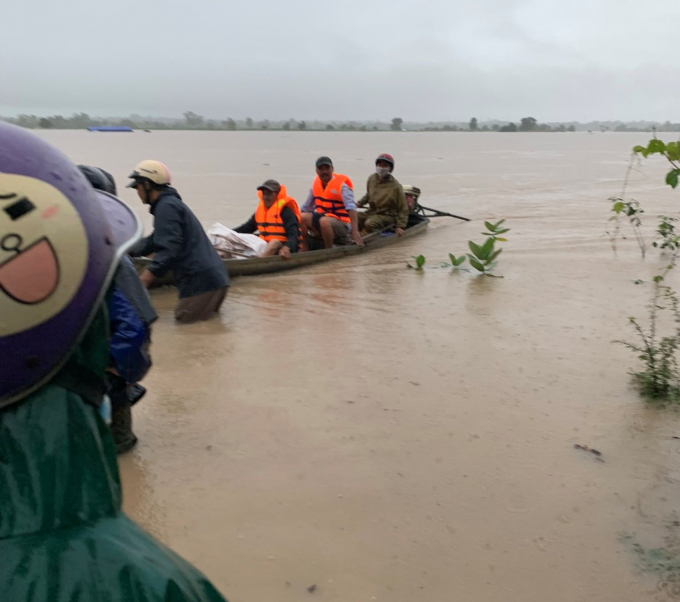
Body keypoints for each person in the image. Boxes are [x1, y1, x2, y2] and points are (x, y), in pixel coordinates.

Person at [0, 122, 228, 601]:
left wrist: (112, 376)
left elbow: (142, 302)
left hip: (157, 327)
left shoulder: (164, 211)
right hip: (104, 383)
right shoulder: (151, 581)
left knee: (122, 437)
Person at [79, 164, 158, 453]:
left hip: (115, 356)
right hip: (115, 353)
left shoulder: (108, 260)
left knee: (110, 444)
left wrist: (113, 367)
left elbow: (136, 325)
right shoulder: (94, 252)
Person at [126, 160, 230, 323]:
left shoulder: (166, 207)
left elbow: (168, 249)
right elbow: (155, 240)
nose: (137, 191)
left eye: (137, 186)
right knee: (206, 329)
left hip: (200, 282)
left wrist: (144, 279)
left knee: (185, 325)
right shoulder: (170, 205)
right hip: (214, 279)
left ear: (147, 184)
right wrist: (128, 250)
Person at [300, 156, 363, 249]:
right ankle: (304, 247)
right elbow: (305, 208)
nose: (324, 172)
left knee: (324, 221)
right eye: (321, 169)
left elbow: (352, 208)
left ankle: (328, 249)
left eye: (327, 168)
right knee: (301, 216)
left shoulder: (342, 186)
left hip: (342, 225)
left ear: (332, 169)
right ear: (317, 171)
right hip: (322, 220)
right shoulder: (315, 185)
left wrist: (355, 231)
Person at [233, 179, 301, 258]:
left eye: (269, 194)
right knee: (240, 239)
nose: (265, 197)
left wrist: (287, 247)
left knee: (275, 242)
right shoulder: (260, 212)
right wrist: (228, 233)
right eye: (264, 194)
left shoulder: (286, 212)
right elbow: (246, 228)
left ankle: (258, 262)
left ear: (277, 194)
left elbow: (294, 235)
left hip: (282, 248)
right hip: (264, 246)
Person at [357, 153, 409, 236]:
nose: (381, 167)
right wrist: (360, 202)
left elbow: (403, 208)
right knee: (354, 217)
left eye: (385, 166)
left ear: (390, 168)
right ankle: (355, 235)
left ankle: (373, 237)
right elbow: (368, 195)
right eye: (379, 164)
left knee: (369, 223)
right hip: (372, 212)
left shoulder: (395, 186)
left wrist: (400, 226)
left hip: (387, 216)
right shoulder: (372, 179)